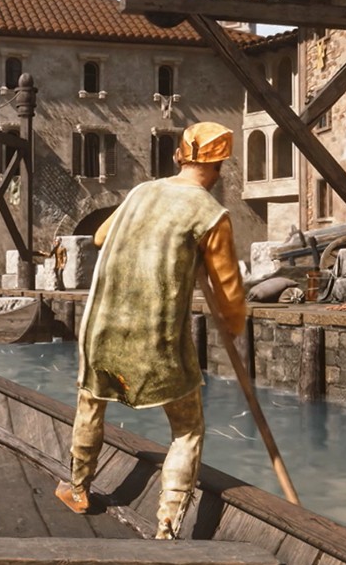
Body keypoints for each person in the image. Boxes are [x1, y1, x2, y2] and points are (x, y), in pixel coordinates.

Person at [54, 121, 249, 540]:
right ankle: (167, 527)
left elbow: (101, 237)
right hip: (157, 342)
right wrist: (234, 326)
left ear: (179, 156)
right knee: (187, 430)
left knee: (91, 404)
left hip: (102, 329)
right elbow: (230, 296)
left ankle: (78, 490)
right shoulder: (211, 215)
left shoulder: (142, 192)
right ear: (220, 167)